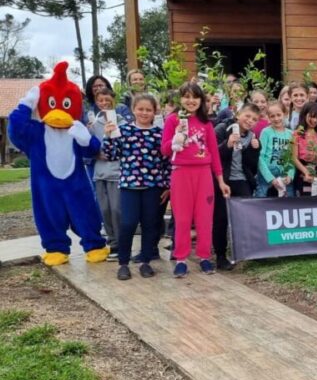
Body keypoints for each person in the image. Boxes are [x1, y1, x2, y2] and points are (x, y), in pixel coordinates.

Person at [161, 82, 231, 277]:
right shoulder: (173, 120)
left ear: (201, 101)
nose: (190, 101)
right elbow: (164, 150)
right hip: (181, 173)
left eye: (195, 97)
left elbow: (215, 154)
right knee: (182, 218)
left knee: (204, 218)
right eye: (186, 96)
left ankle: (204, 257)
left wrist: (220, 181)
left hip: (203, 174)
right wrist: (175, 140)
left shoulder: (206, 123)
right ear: (180, 99)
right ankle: (181, 259)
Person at [102, 94, 169, 280]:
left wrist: (167, 186)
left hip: (153, 186)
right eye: (141, 109)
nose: (144, 113)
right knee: (128, 224)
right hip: (130, 186)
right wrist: (108, 136)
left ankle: (146, 261)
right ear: (133, 110)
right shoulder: (123, 130)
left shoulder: (159, 134)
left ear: (154, 111)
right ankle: (123, 263)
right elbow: (111, 154)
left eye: (148, 109)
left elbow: (166, 162)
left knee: (150, 224)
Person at [212, 103, 261, 270]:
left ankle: (245, 252)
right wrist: (228, 144)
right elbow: (212, 154)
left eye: (254, 119)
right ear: (238, 114)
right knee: (221, 218)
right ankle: (220, 255)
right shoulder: (221, 128)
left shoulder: (252, 136)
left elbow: (252, 166)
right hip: (222, 180)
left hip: (242, 180)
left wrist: (255, 149)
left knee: (245, 217)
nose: (250, 121)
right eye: (247, 116)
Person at [88, 87, 126, 261]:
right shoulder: (94, 125)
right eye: (100, 100)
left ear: (113, 100)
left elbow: (125, 147)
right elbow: (87, 148)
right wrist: (95, 153)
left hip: (117, 172)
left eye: (107, 99)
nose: (104, 103)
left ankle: (122, 243)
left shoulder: (122, 122)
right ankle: (112, 243)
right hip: (99, 173)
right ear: (96, 102)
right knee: (104, 210)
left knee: (117, 209)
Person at [258, 101, 295, 198]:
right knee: (261, 202)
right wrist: (270, 178)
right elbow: (260, 157)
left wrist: (290, 175)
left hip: (284, 174)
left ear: (285, 114)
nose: (276, 119)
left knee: (288, 202)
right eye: (272, 116)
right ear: (268, 117)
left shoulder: (291, 134)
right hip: (267, 175)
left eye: (279, 115)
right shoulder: (266, 132)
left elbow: (293, 157)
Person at [292, 102, 317, 196]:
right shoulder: (297, 134)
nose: (315, 120)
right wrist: (306, 172)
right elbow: (294, 158)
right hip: (304, 171)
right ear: (304, 115)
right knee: (306, 202)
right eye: (312, 116)